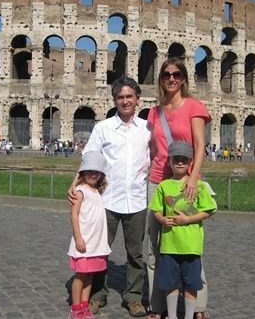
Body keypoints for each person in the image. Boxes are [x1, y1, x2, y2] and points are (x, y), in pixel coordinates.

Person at [68, 77, 151, 317]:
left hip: (136, 200)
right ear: (115, 100)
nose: (125, 101)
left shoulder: (147, 129)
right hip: (107, 200)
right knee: (99, 250)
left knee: (135, 254)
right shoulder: (103, 128)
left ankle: (134, 298)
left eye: (129, 97)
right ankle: (96, 295)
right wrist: (74, 184)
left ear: (137, 99)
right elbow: (89, 157)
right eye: (120, 97)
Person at [146, 57, 210, 319]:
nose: (171, 79)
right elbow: (152, 149)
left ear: (184, 78)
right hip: (157, 181)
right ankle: (157, 305)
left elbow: (199, 145)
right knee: (155, 246)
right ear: (161, 79)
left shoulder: (194, 106)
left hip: (186, 183)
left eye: (176, 74)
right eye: (166, 74)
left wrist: (194, 177)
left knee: (189, 243)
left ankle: (200, 306)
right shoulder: (154, 111)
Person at [148, 141, 217, 319]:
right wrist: (162, 219)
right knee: (170, 283)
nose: (180, 163)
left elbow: (208, 210)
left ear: (190, 163)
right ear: (169, 161)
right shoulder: (163, 186)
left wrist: (187, 219)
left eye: (184, 160)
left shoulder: (199, 185)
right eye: (176, 159)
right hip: (169, 245)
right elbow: (156, 209)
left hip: (191, 245)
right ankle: (171, 316)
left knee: (191, 284)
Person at [68, 151, 111, 319]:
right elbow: (74, 215)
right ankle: (76, 307)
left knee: (90, 275)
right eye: (90, 171)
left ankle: (85, 306)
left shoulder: (98, 191)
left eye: (97, 171)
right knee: (81, 275)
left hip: (96, 242)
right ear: (83, 172)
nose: (93, 174)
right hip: (84, 241)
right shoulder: (80, 191)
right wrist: (78, 237)